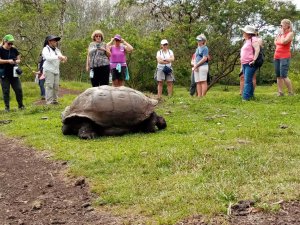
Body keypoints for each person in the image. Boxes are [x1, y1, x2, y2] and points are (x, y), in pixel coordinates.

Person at [0, 34, 24, 112]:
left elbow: (19, 57)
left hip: (14, 74)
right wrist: (7, 61)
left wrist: (18, 60)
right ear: (4, 42)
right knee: (6, 91)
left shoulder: (14, 49)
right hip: (4, 73)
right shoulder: (0, 49)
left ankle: (21, 105)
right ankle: (7, 108)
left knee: (19, 89)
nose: (10, 45)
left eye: (12, 43)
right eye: (9, 43)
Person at [42, 35, 67, 105]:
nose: (56, 42)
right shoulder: (45, 49)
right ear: (49, 41)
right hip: (48, 69)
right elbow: (48, 58)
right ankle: (49, 102)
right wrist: (58, 57)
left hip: (56, 70)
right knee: (49, 86)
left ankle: (55, 101)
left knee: (56, 86)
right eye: (54, 40)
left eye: (56, 41)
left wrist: (63, 59)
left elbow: (60, 58)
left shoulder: (57, 50)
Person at [239, 28, 263, 95]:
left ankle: (245, 97)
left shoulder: (254, 40)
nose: (243, 33)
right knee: (247, 80)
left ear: (249, 34)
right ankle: (251, 95)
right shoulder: (247, 41)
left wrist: (254, 60)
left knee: (247, 81)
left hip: (250, 63)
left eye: (244, 32)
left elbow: (257, 49)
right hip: (244, 63)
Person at [274, 19, 294, 96]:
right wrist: (280, 36)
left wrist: (282, 35)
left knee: (284, 75)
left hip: (284, 57)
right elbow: (275, 42)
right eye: (280, 25)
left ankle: (290, 92)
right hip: (276, 56)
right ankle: (280, 92)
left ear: (287, 25)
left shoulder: (290, 34)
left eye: (282, 25)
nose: (280, 26)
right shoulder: (280, 34)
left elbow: (283, 42)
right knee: (278, 76)